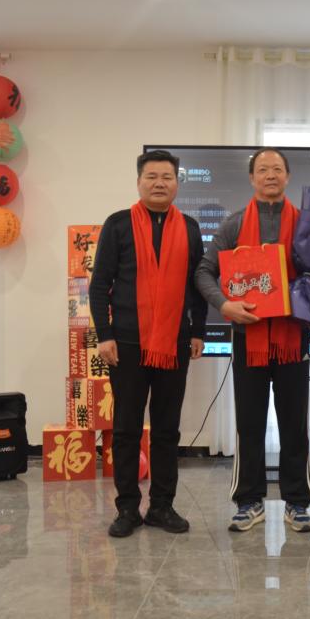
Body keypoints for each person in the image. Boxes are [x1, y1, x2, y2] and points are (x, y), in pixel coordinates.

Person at [195, 147, 310, 533]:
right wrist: (225, 304)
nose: (270, 175)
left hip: (294, 336)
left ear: (288, 176)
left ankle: (297, 503)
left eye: (277, 169)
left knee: (295, 424)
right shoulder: (234, 224)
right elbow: (204, 271)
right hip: (249, 338)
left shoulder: (308, 223)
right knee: (249, 423)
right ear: (252, 178)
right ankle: (249, 501)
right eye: (263, 169)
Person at [89, 149, 207, 538]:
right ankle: (127, 508)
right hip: (126, 343)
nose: (159, 183)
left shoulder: (189, 228)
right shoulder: (118, 224)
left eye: (167, 177)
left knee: (167, 429)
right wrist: (105, 335)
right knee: (126, 428)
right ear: (139, 182)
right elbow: (99, 284)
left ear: (177, 183)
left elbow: (198, 284)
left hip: (174, 343)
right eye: (151, 177)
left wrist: (198, 331)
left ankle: (161, 507)